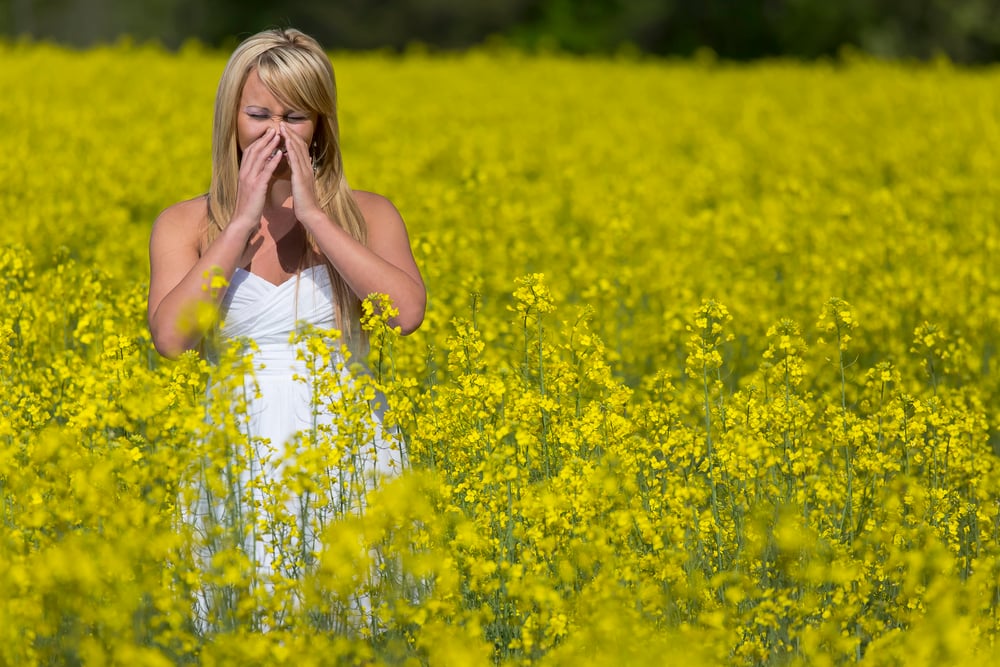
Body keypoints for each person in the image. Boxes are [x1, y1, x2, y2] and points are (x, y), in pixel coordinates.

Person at [146, 28, 426, 629]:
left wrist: (317, 219)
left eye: (296, 117)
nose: (276, 132)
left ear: (322, 125)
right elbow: (172, 338)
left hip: (350, 447)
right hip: (235, 447)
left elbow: (404, 314)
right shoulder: (186, 224)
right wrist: (240, 223)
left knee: (361, 626)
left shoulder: (368, 214)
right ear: (231, 118)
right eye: (259, 114)